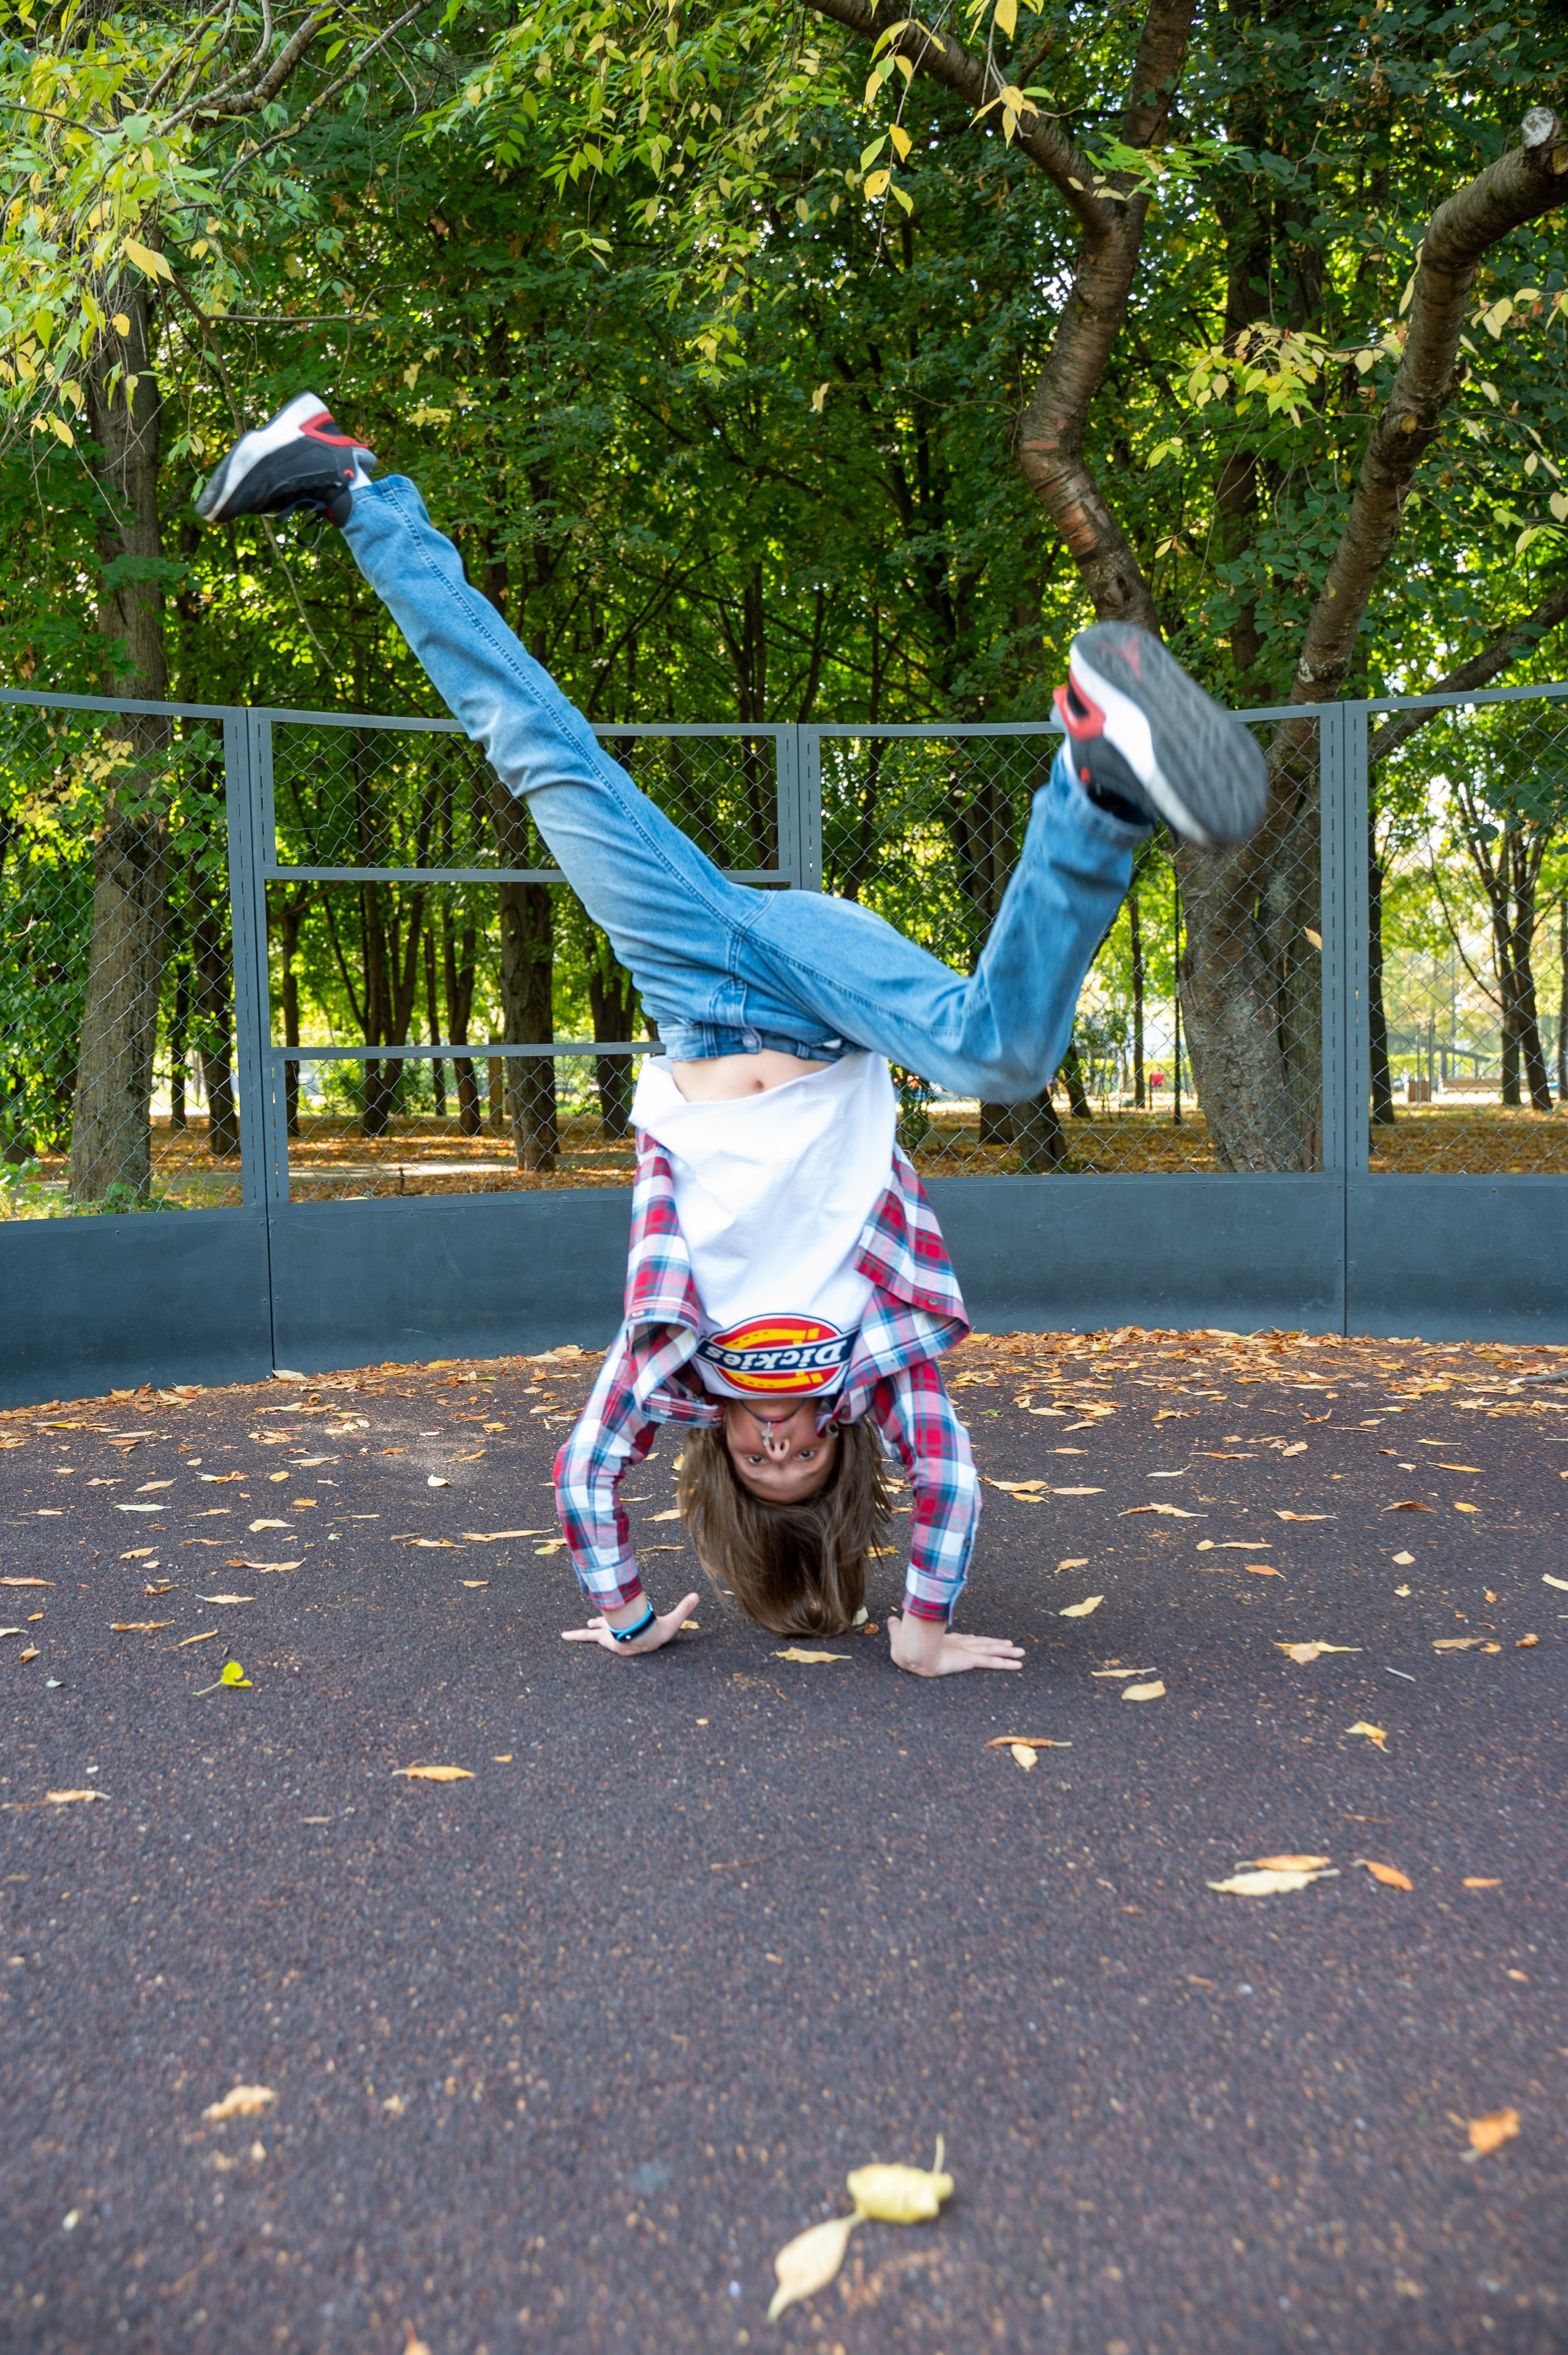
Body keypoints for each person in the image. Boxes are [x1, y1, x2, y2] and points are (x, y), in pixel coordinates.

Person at [197, 394, 1265, 1677]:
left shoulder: (673, 1368)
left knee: (532, 744)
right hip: (815, 997)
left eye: (759, 1464)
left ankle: (348, 487)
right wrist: (916, 1633)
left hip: (695, 978)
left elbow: (586, 1472)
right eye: (799, 1455)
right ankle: (1096, 780)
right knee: (998, 1058)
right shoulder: (874, 1367)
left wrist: (633, 1611)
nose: (777, 1445)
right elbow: (952, 1477)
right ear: (835, 1440)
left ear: (718, 1461)